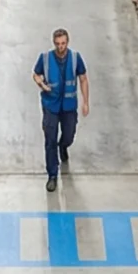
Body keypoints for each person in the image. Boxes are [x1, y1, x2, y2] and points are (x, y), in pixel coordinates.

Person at [33, 28, 88, 193]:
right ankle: (52, 175)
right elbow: (35, 74)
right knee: (50, 139)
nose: (60, 47)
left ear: (67, 42)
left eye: (63, 43)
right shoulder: (45, 59)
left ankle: (63, 146)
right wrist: (42, 85)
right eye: (57, 44)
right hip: (51, 105)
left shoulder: (75, 58)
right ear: (53, 43)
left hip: (69, 106)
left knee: (69, 134)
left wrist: (86, 102)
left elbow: (83, 79)